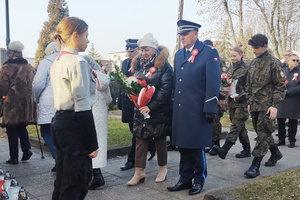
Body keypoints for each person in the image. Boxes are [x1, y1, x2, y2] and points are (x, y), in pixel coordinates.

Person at [167, 20, 220, 195]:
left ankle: (199, 179)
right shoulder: (179, 54)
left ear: (196, 34)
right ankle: (184, 178)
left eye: (186, 33)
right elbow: (178, 81)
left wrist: (211, 107)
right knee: (183, 146)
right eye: (181, 34)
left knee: (196, 147)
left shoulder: (208, 52)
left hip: (198, 109)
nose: (182, 37)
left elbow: (213, 82)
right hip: (182, 108)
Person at [50, 17, 99, 199]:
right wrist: (92, 143)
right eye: (86, 35)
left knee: (63, 179)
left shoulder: (57, 61)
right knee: (76, 182)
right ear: (75, 35)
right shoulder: (77, 62)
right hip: (74, 125)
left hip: (60, 122)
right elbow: (82, 105)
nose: (88, 40)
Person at [127, 33, 173, 186]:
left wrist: (150, 106)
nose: (144, 53)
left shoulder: (163, 65)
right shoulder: (137, 64)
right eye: (141, 50)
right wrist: (132, 95)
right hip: (140, 110)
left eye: (147, 49)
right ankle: (139, 172)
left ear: (154, 49)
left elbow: (166, 89)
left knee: (159, 139)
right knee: (140, 139)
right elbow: (133, 82)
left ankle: (162, 169)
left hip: (157, 109)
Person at [245, 34, 286, 178]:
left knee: (263, 134)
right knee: (263, 133)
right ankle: (276, 153)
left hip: (267, 106)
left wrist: (275, 105)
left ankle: (255, 165)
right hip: (255, 105)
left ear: (265, 46)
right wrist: (250, 102)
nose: (253, 50)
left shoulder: (274, 63)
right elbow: (249, 85)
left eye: (256, 47)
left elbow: (280, 86)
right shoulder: (253, 63)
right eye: (252, 47)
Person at [0, 41, 37, 164]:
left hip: (12, 103)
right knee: (22, 126)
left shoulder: (6, 68)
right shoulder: (29, 67)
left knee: (11, 128)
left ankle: (14, 157)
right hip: (26, 103)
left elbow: (2, 87)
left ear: (10, 52)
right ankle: (27, 149)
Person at [211, 46, 251, 159]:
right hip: (232, 102)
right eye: (231, 56)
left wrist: (240, 94)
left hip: (242, 101)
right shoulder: (230, 69)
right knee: (240, 127)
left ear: (241, 55)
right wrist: (224, 92)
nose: (232, 58)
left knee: (235, 126)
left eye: (235, 56)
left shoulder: (247, 68)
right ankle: (247, 149)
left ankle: (224, 149)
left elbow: (250, 86)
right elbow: (226, 82)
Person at [83, 55, 112, 190]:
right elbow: (109, 100)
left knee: (89, 142)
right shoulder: (103, 78)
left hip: (89, 112)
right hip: (101, 112)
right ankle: (96, 173)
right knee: (99, 142)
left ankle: (96, 175)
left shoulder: (86, 77)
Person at [32, 41, 59, 172]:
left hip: (48, 100)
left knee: (46, 131)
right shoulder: (65, 58)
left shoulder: (46, 62)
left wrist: (36, 98)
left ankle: (58, 158)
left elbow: (37, 84)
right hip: (65, 101)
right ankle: (61, 160)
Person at [117, 39, 139, 171]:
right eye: (128, 51)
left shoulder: (142, 63)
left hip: (138, 102)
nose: (129, 54)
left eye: (132, 51)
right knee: (133, 130)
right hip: (127, 103)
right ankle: (150, 145)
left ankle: (132, 160)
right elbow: (121, 82)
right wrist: (120, 102)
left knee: (136, 133)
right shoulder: (125, 63)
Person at [202, 39, 226, 156]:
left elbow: (222, 81)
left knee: (215, 121)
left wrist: (221, 97)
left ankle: (215, 144)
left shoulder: (219, 61)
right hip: (205, 95)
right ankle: (209, 142)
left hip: (216, 96)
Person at [276, 53, 300, 148]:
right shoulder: (283, 70)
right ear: (288, 61)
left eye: (297, 60)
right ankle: (281, 139)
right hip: (282, 98)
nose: (296, 62)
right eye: (294, 60)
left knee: (292, 121)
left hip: (294, 98)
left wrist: (290, 91)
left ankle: (292, 140)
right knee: (280, 120)